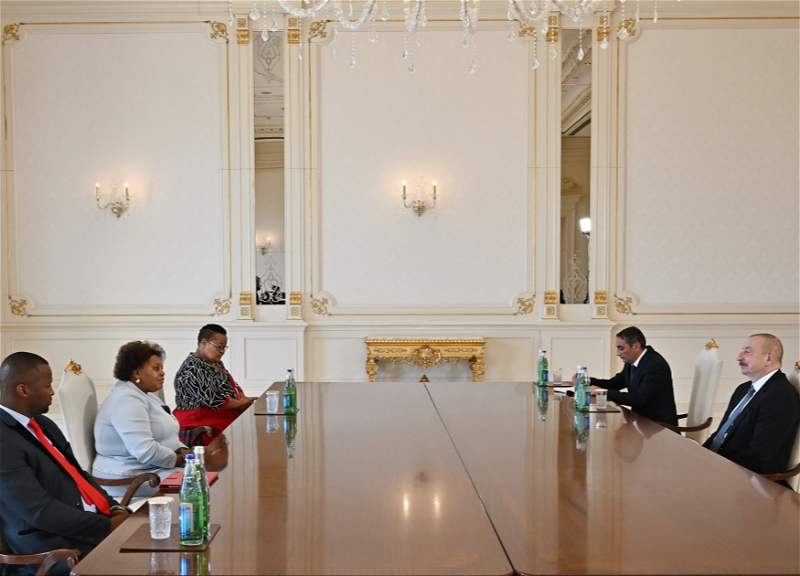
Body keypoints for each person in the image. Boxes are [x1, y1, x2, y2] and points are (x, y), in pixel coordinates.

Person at [0, 352, 130, 574]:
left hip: (88, 525)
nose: (52, 392)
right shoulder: (3, 440)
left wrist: (113, 507)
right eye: (47, 385)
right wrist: (107, 527)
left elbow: (78, 475)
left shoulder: (43, 423)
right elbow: (39, 511)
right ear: (23, 390)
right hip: (53, 547)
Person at [92, 341, 193, 498]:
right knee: (197, 483)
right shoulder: (126, 400)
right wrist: (180, 460)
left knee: (203, 475)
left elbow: (166, 435)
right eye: (156, 368)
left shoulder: (144, 395)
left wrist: (182, 450)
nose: (162, 373)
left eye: (162, 368)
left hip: (151, 468)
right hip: (127, 476)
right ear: (137, 373)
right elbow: (144, 450)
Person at [703, 334, 800, 476]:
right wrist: (699, 454)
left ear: (769, 358)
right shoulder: (743, 389)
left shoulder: (780, 396)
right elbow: (721, 435)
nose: (739, 357)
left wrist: (714, 467)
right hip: (721, 466)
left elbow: (758, 457)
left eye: (747, 352)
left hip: (748, 479)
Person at [174, 324, 256, 442]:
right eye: (219, 347)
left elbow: (229, 382)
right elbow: (213, 399)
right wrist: (240, 404)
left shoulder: (214, 362)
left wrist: (243, 398)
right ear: (204, 343)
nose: (222, 351)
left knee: (251, 419)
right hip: (197, 416)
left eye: (224, 347)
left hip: (218, 411)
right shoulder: (193, 367)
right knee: (243, 428)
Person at [587, 326, 678, 425]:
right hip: (640, 422)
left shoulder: (655, 365)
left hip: (658, 426)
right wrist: (587, 381)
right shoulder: (632, 361)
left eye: (621, 348)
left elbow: (637, 399)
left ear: (636, 346)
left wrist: (601, 392)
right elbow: (615, 383)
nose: (617, 353)